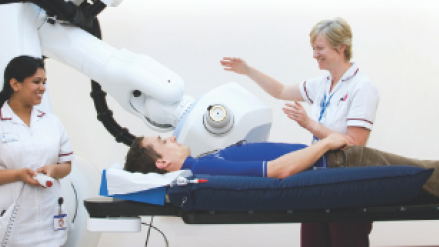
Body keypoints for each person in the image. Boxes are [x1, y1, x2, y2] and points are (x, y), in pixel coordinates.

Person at [220, 17, 378, 247]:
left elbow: (355, 143)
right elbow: (281, 90)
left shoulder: (362, 87)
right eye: (313, 48)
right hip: (316, 172)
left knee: (346, 240)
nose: (315, 54)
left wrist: (309, 124)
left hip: (345, 179)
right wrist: (247, 71)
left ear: (341, 47)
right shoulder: (322, 83)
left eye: (320, 48)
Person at [0, 55, 74, 247]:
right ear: (15, 84)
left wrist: (52, 170)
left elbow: (66, 166)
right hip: (7, 228)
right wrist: (18, 175)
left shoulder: (52, 123)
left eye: (44, 82)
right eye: (36, 82)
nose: (42, 87)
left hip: (48, 227)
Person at [123, 134, 439, 198]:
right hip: (342, 159)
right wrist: (326, 143)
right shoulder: (202, 171)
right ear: (163, 162)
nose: (173, 136)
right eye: (164, 141)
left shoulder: (202, 163)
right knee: (431, 174)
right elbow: (278, 171)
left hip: (337, 157)